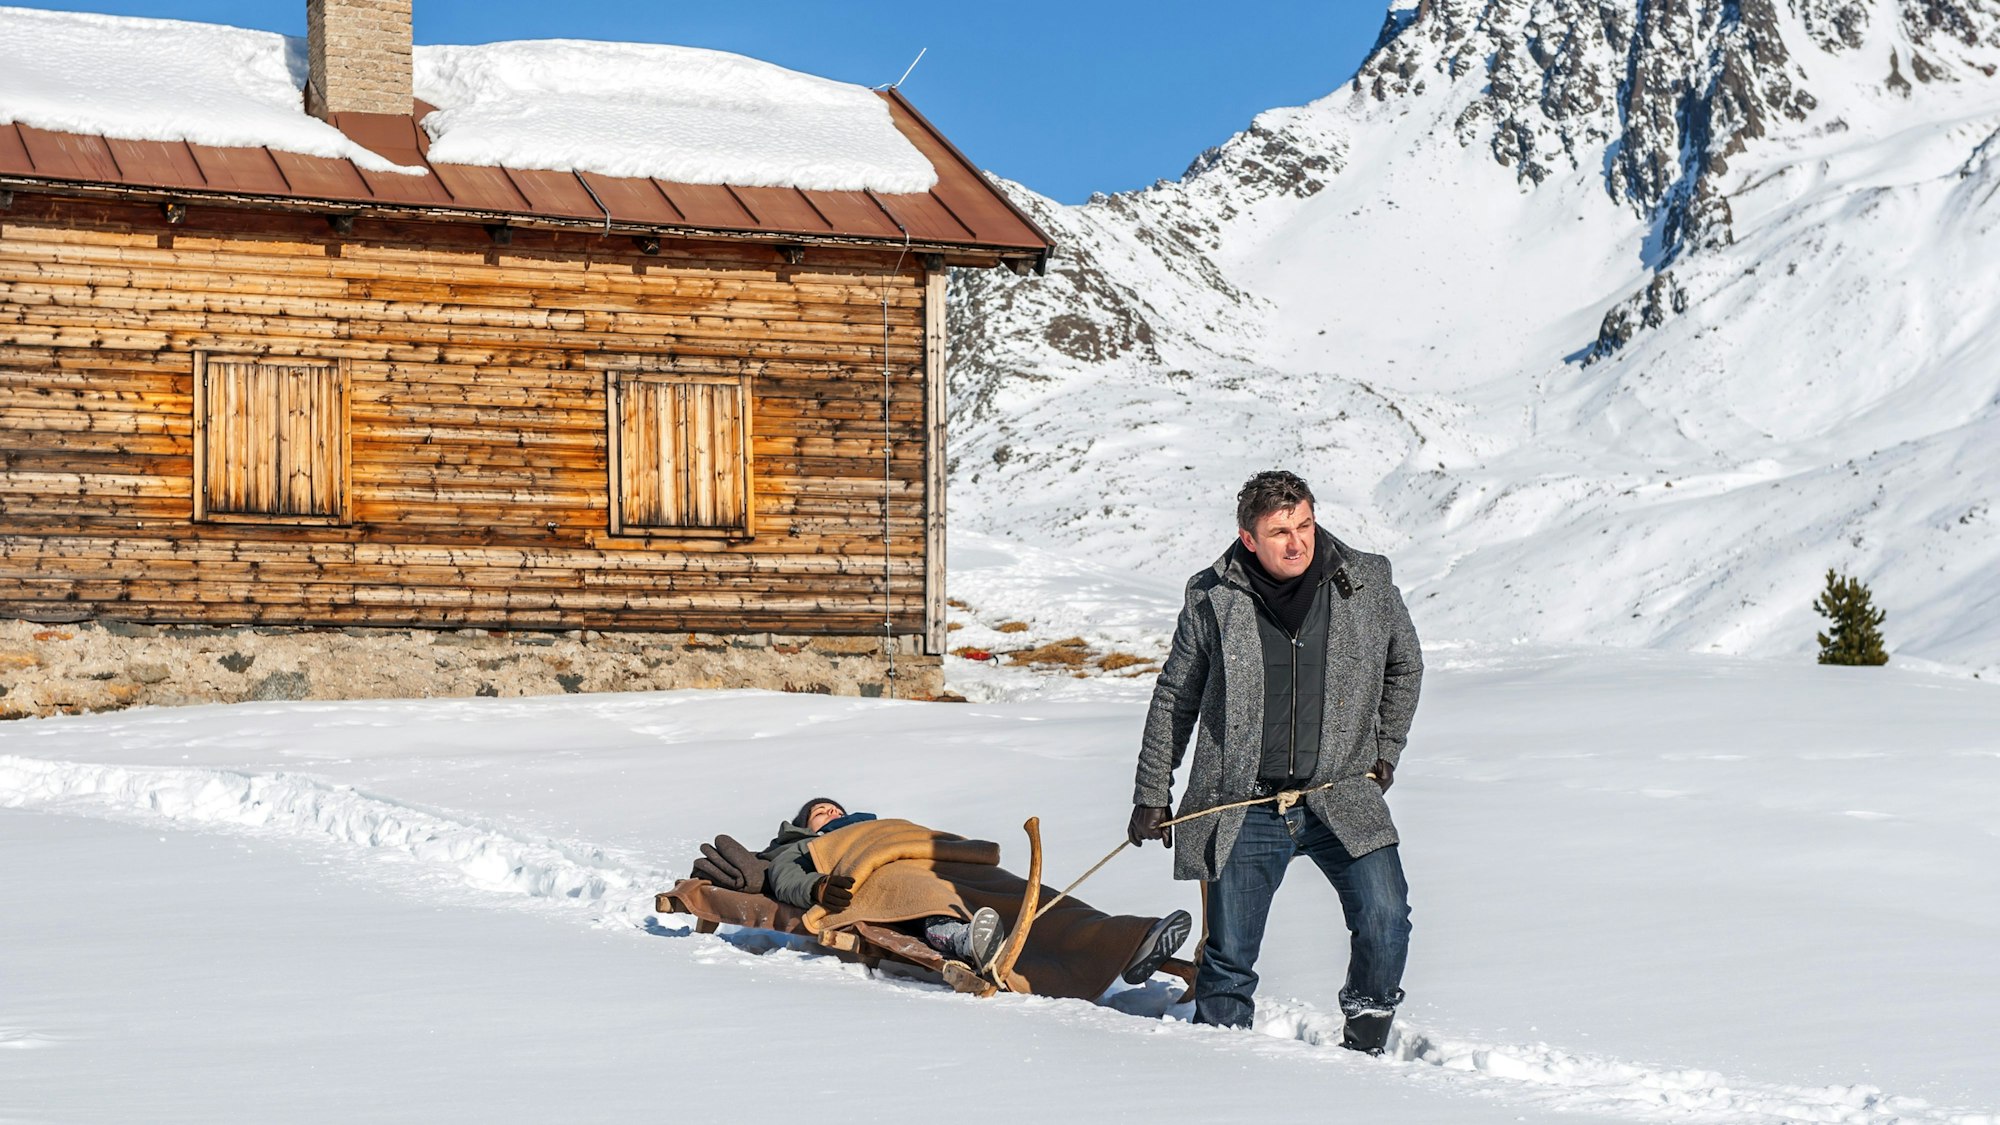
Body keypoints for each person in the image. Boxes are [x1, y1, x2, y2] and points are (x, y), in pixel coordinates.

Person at [1128, 470, 1422, 1054]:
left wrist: (1386, 750)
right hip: (1246, 802)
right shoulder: (1213, 597)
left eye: (1305, 524)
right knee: (1230, 954)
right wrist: (1151, 792)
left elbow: (1405, 666)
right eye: (1280, 530)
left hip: (1341, 793)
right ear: (1249, 539)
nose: (1298, 542)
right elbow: (1175, 696)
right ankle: (1219, 1063)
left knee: (1386, 920)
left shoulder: (1365, 583)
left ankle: (1365, 1047)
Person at [690, 797, 1191, 990]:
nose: (831, 814)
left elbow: (911, 836)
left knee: (1025, 894)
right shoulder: (800, 847)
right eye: (820, 812)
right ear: (804, 826)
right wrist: (819, 883)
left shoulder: (878, 825)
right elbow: (785, 881)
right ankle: (964, 940)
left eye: (835, 808)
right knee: (918, 895)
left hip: (924, 854)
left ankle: (1129, 937)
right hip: (872, 877)